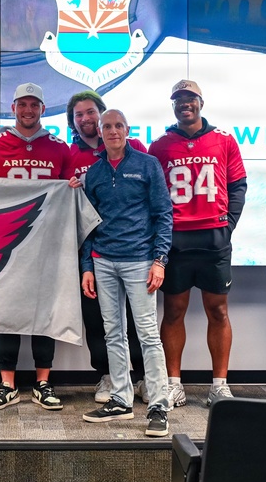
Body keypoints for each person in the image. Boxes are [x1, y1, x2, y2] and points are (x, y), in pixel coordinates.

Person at [0, 82, 73, 411]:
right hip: (3, 245)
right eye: (22, 104)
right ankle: (7, 384)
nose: (28, 110)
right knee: (5, 313)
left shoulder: (59, 148)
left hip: (46, 245)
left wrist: (76, 185)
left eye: (35, 105)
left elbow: (75, 189)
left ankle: (43, 382)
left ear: (43, 110)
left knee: (43, 314)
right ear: (13, 108)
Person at [148, 79, 246, 408]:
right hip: (176, 239)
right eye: (178, 99)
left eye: (190, 98)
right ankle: (173, 383)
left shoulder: (225, 140)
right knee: (174, 310)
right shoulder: (160, 145)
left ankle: (219, 384)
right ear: (172, 104)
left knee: (217, 310)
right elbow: (154, 196)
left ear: (201, 102)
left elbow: (238, 187)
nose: (184, 104)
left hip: (212, 238)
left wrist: (226, 226)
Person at [79, 109, 172, 437]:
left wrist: (159, 260)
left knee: (147, 334)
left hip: (140, 261)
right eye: (107, 126)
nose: (113, 131)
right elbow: (88, 224)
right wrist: (87, 267)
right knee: (112, 333)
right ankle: (121, 398)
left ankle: (159, 404)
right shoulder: (94, 173)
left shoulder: (148, 165)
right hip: (103, 261)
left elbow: (163, 213)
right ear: (100, 133)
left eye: (119, 125)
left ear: (127, 130)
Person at [67, 90, 147, 403]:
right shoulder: (68, 155)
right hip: (91, 248)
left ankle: (140, 376)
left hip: (132, 248)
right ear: (72, 122)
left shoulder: (134, 148)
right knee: (97, 317)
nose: (86, 118)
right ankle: (108, 375)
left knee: (136, 317)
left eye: (91, 112)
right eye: (79, 115)